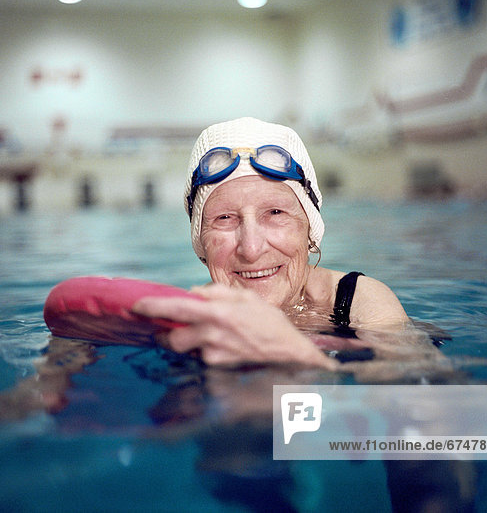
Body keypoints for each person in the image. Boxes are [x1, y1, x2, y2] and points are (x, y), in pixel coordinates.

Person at [133, 117, 411, 370]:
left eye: (275, 213)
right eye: (225, 218)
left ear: (309, 229)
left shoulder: (359, 303)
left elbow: (430, 407)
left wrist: (303, 356)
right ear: (201, 243)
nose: (252, 249)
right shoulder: (192, 321)